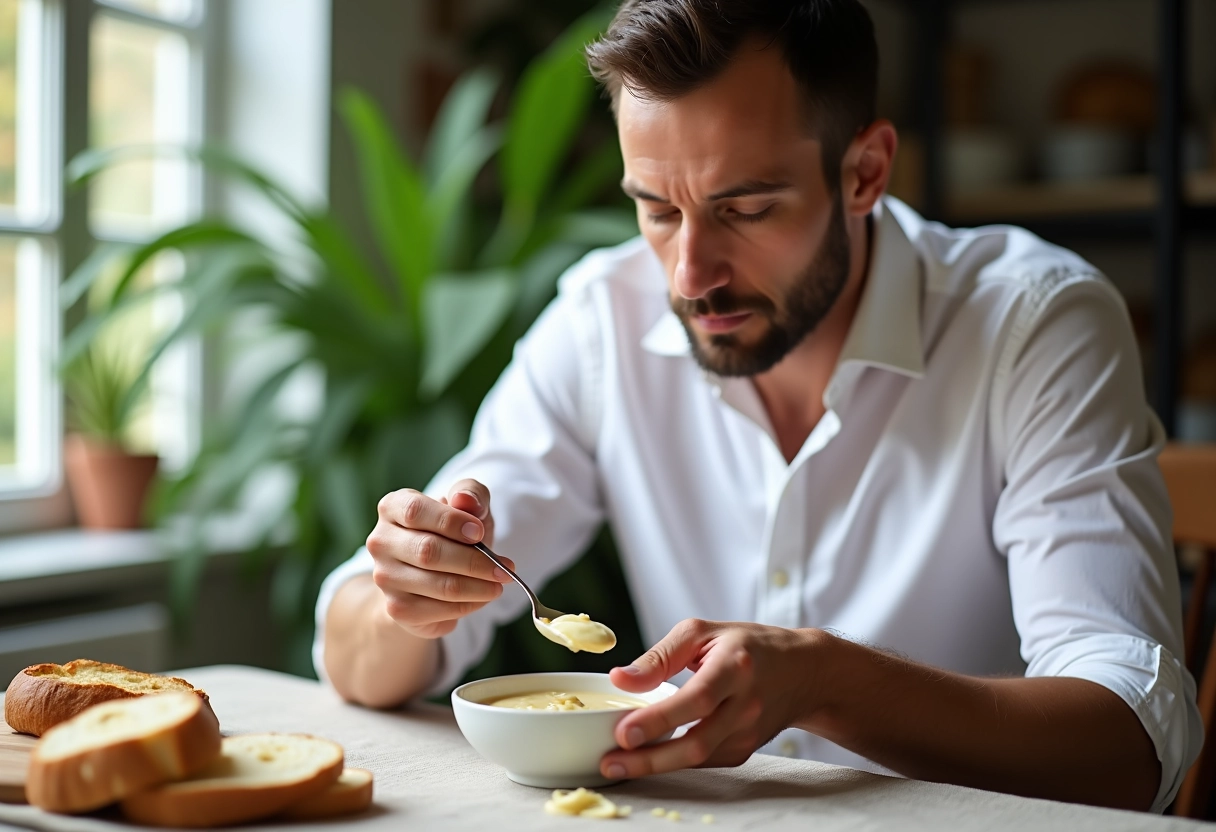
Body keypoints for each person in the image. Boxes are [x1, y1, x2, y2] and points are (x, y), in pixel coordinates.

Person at [314, 0, 1201, 813]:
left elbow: (1126, 747)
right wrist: (412, 590)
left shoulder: (1032, 324)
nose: (689, 274)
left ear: (865, 171)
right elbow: (357, 650)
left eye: (744, 207)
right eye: (656, 209)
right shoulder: (602, 321)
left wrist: (825, 683)